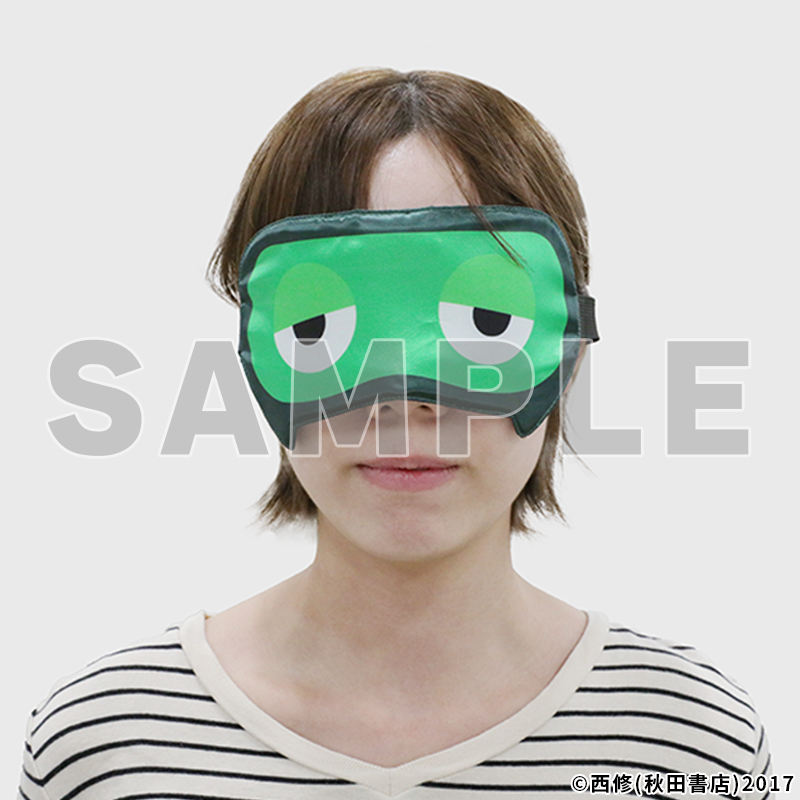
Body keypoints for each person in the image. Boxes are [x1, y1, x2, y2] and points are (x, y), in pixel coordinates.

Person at [18, 68, 771, 799]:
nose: (405, 402)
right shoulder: (103, 744)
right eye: (317, 326)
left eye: (487, 323)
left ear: (570, 346)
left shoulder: (693, 744)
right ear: (256, 345)